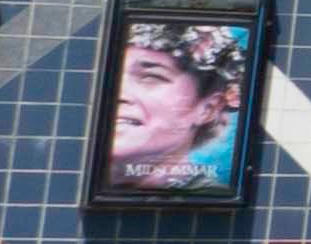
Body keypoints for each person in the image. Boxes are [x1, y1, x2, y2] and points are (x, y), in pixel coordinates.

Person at [102, 12, 252, 197]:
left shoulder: (208, 201)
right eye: (115, 74)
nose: (119, 93)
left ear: (208, 108)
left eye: (150, 77)